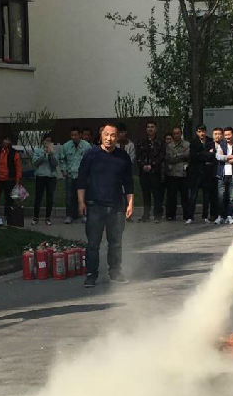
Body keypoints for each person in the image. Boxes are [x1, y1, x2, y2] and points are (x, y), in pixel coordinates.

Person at [77, 123, 134, 287]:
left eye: (113, 135)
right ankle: (91, 274)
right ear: (101, 136)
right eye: (106, 135)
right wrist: (81, 202)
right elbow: (81, 180)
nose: (109, 138)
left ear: (117, 137)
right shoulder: (91, 155)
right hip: (95, 205)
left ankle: (115, 272)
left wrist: (130, 203)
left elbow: (129, 183)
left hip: (117, 207)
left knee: (115, 242)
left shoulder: (123, 157)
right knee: (93, 243)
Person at [58, 127, 91, 224]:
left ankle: (84, 215)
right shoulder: (66, 146)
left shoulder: (86, 146)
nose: (73, 137)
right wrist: (63, 170)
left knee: (83, 196)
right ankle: (70, 215)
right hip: (70, 174)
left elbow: (90, 159)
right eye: (72, 135)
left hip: (82, 175)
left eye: (75, 135)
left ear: (80, 135)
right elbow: (62, 159)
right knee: (70, 196)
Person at [135, 119, 166, 223]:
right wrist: (143, 165)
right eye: (148, 127)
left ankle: (157, 215)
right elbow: (138, 156)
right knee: (145, 194)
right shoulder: (141, 141)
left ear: (156, 129)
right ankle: (146, 215)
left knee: (157, 195)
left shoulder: (160, 142)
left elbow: (161, 156)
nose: (150, 129)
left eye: (152, 127)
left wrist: (152, 165)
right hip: (144, 172)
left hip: (155, 172)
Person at [187, 124, 216, 224]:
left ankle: (205, 216)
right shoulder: (193, 142)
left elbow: (212, 155)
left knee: (206, 196)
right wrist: (206, 154)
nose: (202, 133)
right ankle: (190, 217)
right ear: (197, 132)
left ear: (206, 131)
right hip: (195, 172)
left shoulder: (210, 141)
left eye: (203, 131)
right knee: (193, 196)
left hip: (207, 173)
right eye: (199, 131)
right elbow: (193, 156)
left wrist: (201, 154)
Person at [31, 132, 60, 225]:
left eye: (50, 141)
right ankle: (35, 217)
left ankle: (48, 218)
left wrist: (51, 155)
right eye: (46, 141)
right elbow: (35, 163)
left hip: (51, 177)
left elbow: (55, 164)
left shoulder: (54, 151)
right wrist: (44, 154)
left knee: (50, 198)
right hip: (40, 176)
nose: (48, 143)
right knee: (38, 197)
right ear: (43, 141)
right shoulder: (38, 151)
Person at [216, 126, 233, 225]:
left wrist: (225, 157)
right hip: (222, 175)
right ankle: (220, 216)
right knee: (221, 197)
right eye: (225, 135)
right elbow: (218, 157)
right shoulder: (221, 145)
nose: (227, 137)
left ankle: (229, 216)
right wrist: (230, 157)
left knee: (231, 198)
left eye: (229, 134)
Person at [0, 134, 22, 225]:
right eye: (5, 140)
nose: (6, 142)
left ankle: (8, 217)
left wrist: (17, 181)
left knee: (9, 200)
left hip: (10, 180)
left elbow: (18, 168)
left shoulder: (14, 153)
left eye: (8, 140)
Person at [165, 126, 190, 221]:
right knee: (171, 197)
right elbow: (170, 159)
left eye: (178, 133)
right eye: (174, 133)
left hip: (183, 174)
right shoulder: (169, 146)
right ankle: (171, 215)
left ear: (181, 134)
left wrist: (176, 155)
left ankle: (186, 215)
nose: (176, 135)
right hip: (172, 174)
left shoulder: (187, 144)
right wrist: (182, 155)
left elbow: (188, 156)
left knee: (185, 196)